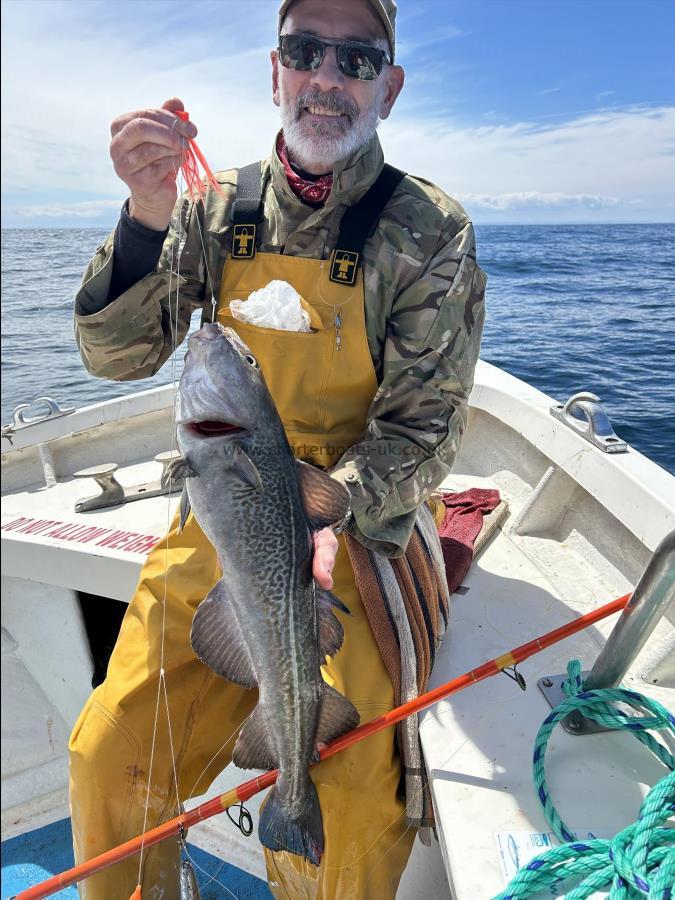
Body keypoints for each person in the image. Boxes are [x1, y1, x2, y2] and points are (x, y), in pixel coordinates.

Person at [70, 0, 487, 897]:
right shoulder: (212, 209)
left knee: (350, 797)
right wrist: (146, 217)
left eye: (357, 58)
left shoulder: (428, 230)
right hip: (222, 516)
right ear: (275, 72)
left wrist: (334, 513)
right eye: (305, 51)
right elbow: (117, 357)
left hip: (355, 532)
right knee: (111, 757)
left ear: (391, 86)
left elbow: (425, 428)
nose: (328, 77)